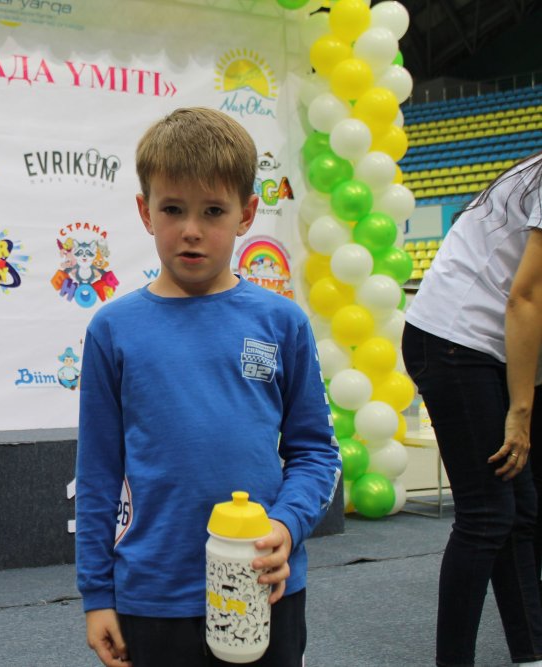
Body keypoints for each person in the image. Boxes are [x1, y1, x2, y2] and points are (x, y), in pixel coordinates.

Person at [74, 107, 342, 667]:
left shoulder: (282, 322)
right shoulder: (113, 330)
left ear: (247, 214)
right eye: (173, 209)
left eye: (213, 211)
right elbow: (98, 473)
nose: (191, 229)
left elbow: (316, 453)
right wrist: (97, 594)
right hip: (152, 595)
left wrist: (286, 524)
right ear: (145, 212)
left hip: (263, 585)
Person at [402, 150, 542, 667]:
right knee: (487, 513)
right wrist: (521, 412)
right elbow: (526, 299)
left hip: (488, 346)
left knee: (521, 509)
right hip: (455, 339)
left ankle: (531, 652)